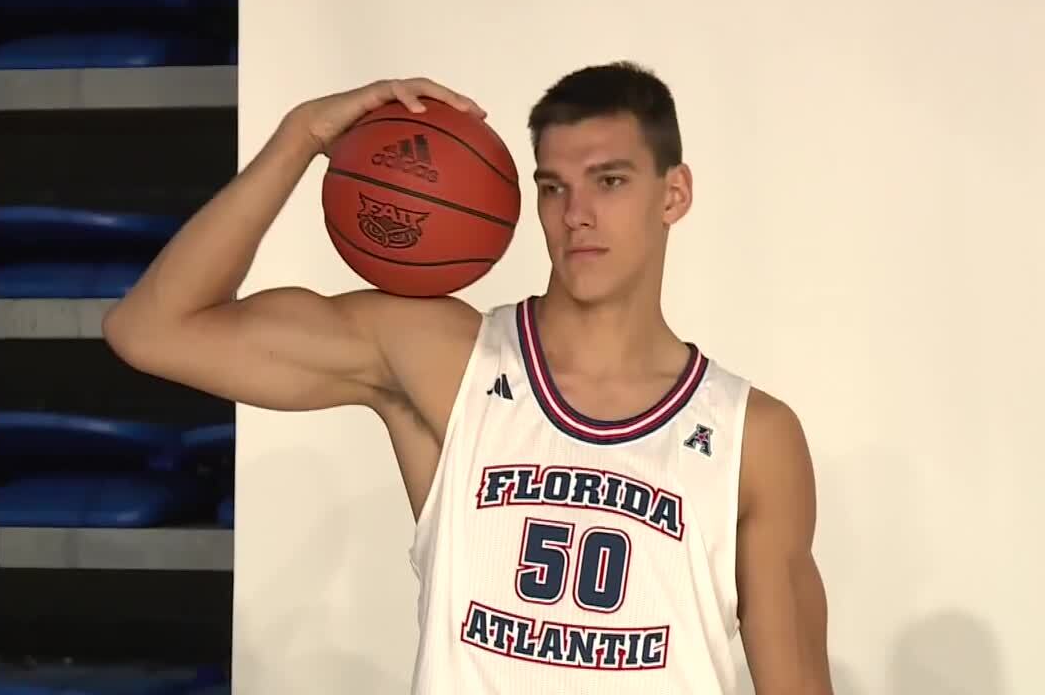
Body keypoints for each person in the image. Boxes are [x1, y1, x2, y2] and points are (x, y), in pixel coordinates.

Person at [104, 62, 833, 694]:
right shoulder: (446, 360)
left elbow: (796, 685)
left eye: (609, 181)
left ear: (673, 195)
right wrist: (301, 135)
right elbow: (152, 331)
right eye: (554, 187)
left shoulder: (751, 435)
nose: (577, 214)